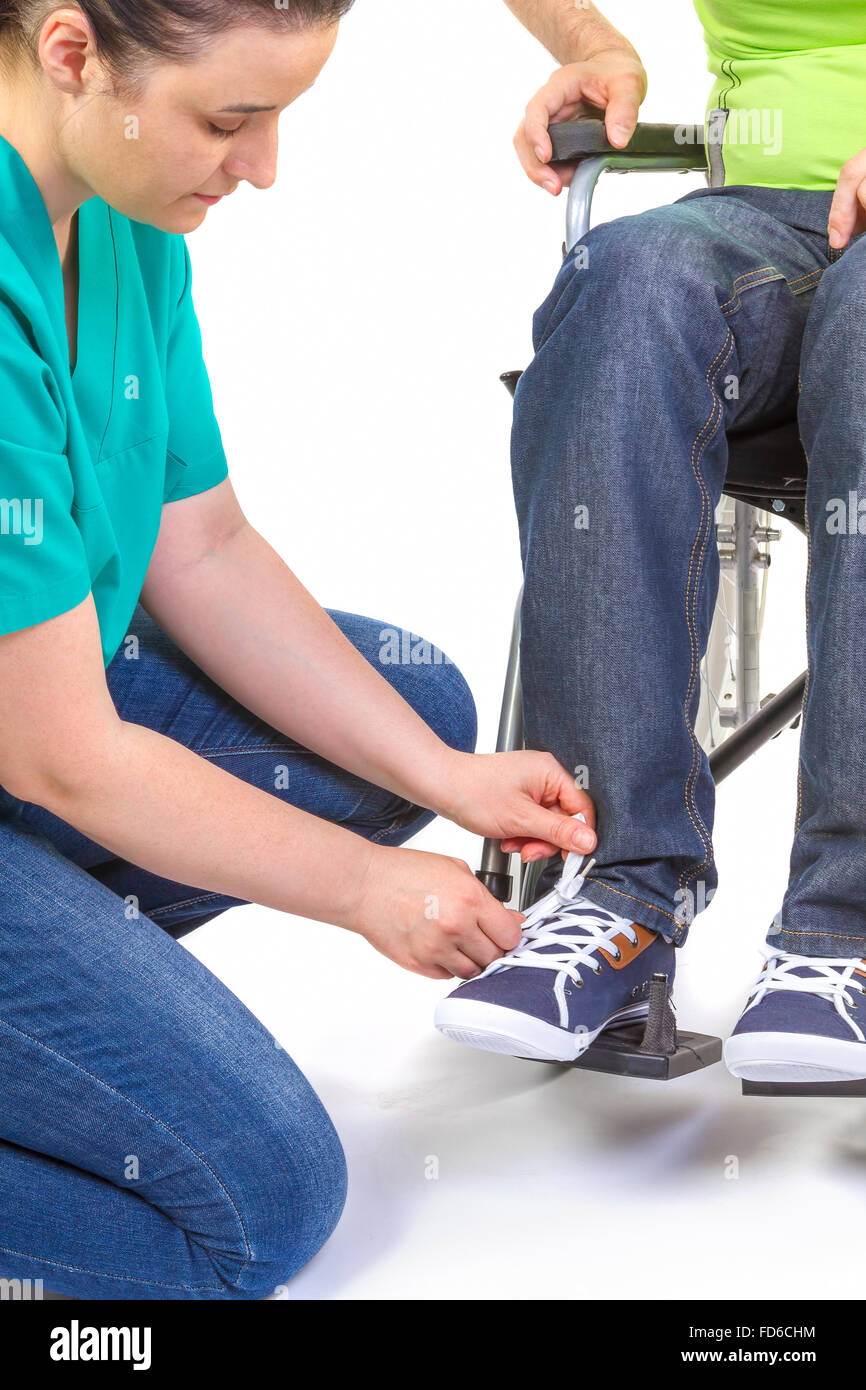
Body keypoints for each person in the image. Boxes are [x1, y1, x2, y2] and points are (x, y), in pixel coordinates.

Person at [0, 0, 599, 1300]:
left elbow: (200, 548)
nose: (263, 167)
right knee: (255, 1206)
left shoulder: (120, 211)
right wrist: (364, 885)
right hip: (45, 745)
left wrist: (449, 780)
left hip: (36, 730)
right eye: (232, 119)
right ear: (69, 52)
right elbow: (67, 759)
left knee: (417, 702)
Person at [436, 0, 866, 1087]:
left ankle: (841, 928)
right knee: (627, 280)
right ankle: (623, 889)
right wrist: (590, 45)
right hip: (762, 218)